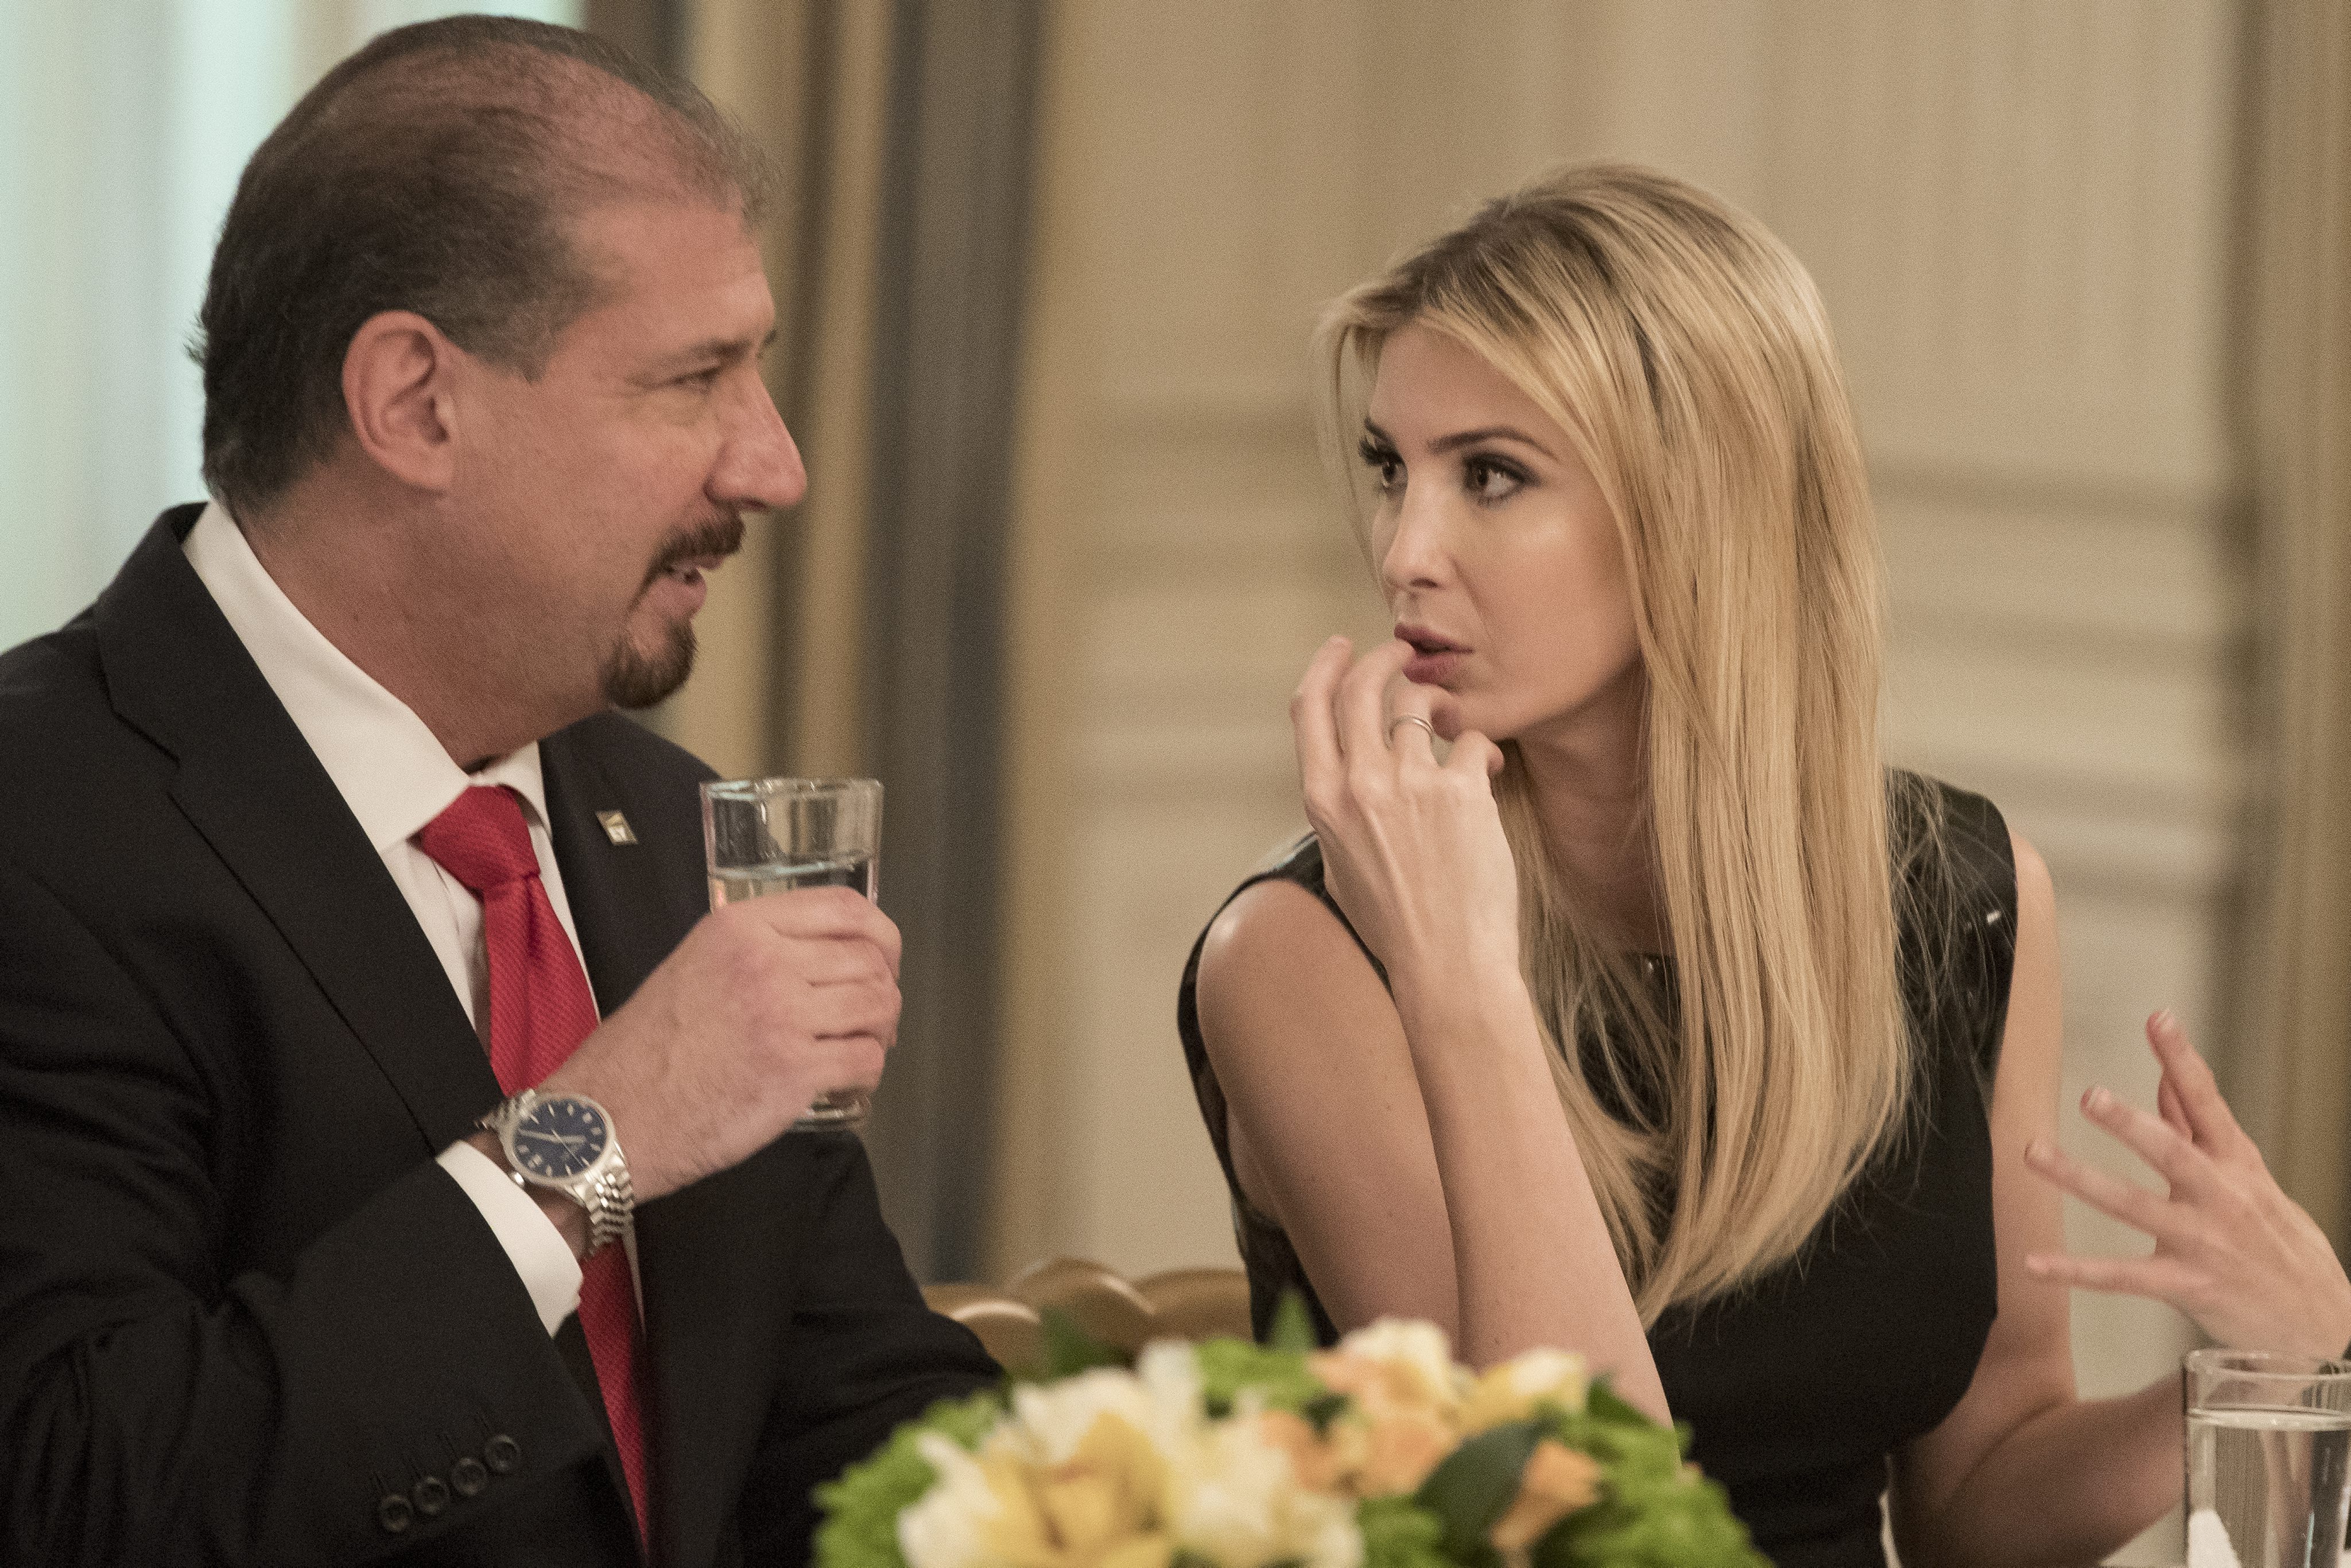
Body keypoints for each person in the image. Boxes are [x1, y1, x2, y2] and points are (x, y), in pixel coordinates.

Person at [1177, 164, 2351, 1568]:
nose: (1403, 551)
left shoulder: (1964, 900)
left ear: (1701, 504)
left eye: (1488, 475)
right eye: (1390, 470)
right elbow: (1584, 1527)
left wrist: (2276, 1362)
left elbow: (1976, 1502)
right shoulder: (1306, 956)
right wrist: (1462, 983)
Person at [0, 17, 995, 1567]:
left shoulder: (668, 824)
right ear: (414, 402)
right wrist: (595, 1134)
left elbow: (851, 1418)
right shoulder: (41, 826)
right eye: (694, 378)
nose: (775, 465)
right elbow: (80, 1495)